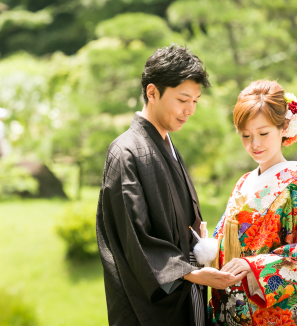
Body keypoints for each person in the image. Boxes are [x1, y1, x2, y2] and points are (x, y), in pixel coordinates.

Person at [96, 45, 240, 326]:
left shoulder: (166, 144)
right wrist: (189, 273)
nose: (190, 110)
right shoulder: (126, 152)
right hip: (155, 300)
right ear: (152, 92)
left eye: (195, 101)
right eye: (183, 99)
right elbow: (134, 236)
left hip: (188, 288)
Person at [210, 80, 297, 326]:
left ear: (284, 127)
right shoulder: (244, 182)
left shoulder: (295, 183)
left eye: (263, 133)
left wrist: (253, 265)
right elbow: (225, 240)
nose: (254, 144)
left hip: (265, 311)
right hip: (230, 307)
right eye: (246, 135)